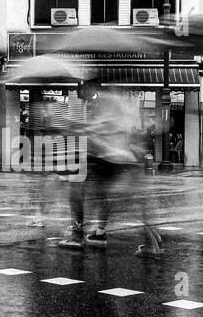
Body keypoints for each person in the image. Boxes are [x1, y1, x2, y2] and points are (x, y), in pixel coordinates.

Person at [60, 83, 164, 258]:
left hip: (110, 158)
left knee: (78, 190)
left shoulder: (104, 103)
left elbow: (100, 130)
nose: (84, 95)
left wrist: (79, 131)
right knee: (118, 198)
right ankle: (102, 233)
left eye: (84, 91)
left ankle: (77, 236)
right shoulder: (124, 101)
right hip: (124, 158)